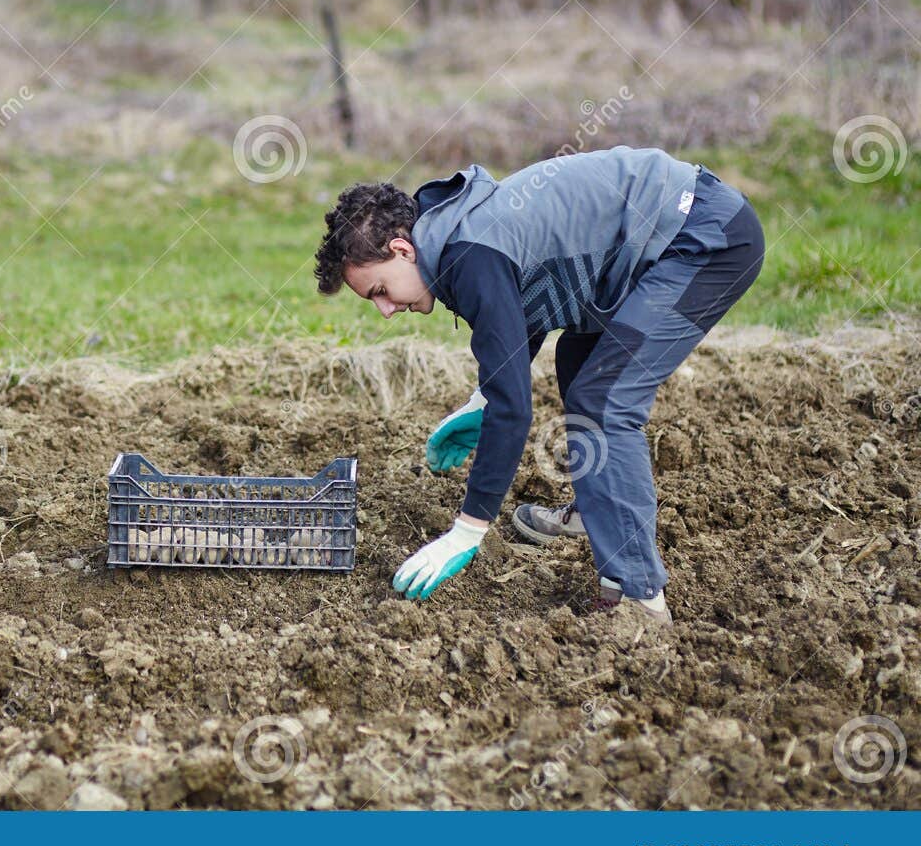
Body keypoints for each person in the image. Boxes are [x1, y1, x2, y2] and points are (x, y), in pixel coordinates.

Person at [313, 146, 765, 623]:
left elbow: (515, 409)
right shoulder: (453, 235)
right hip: (666, 240)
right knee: (578, 357)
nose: (385, 310)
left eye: (380, 291)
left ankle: (638, 597)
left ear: (402, 250)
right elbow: (520, 317)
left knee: (604, 400)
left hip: (705, 238)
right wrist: (482, 399)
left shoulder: (468, 255)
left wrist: (468, 530)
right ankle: (600, 512)